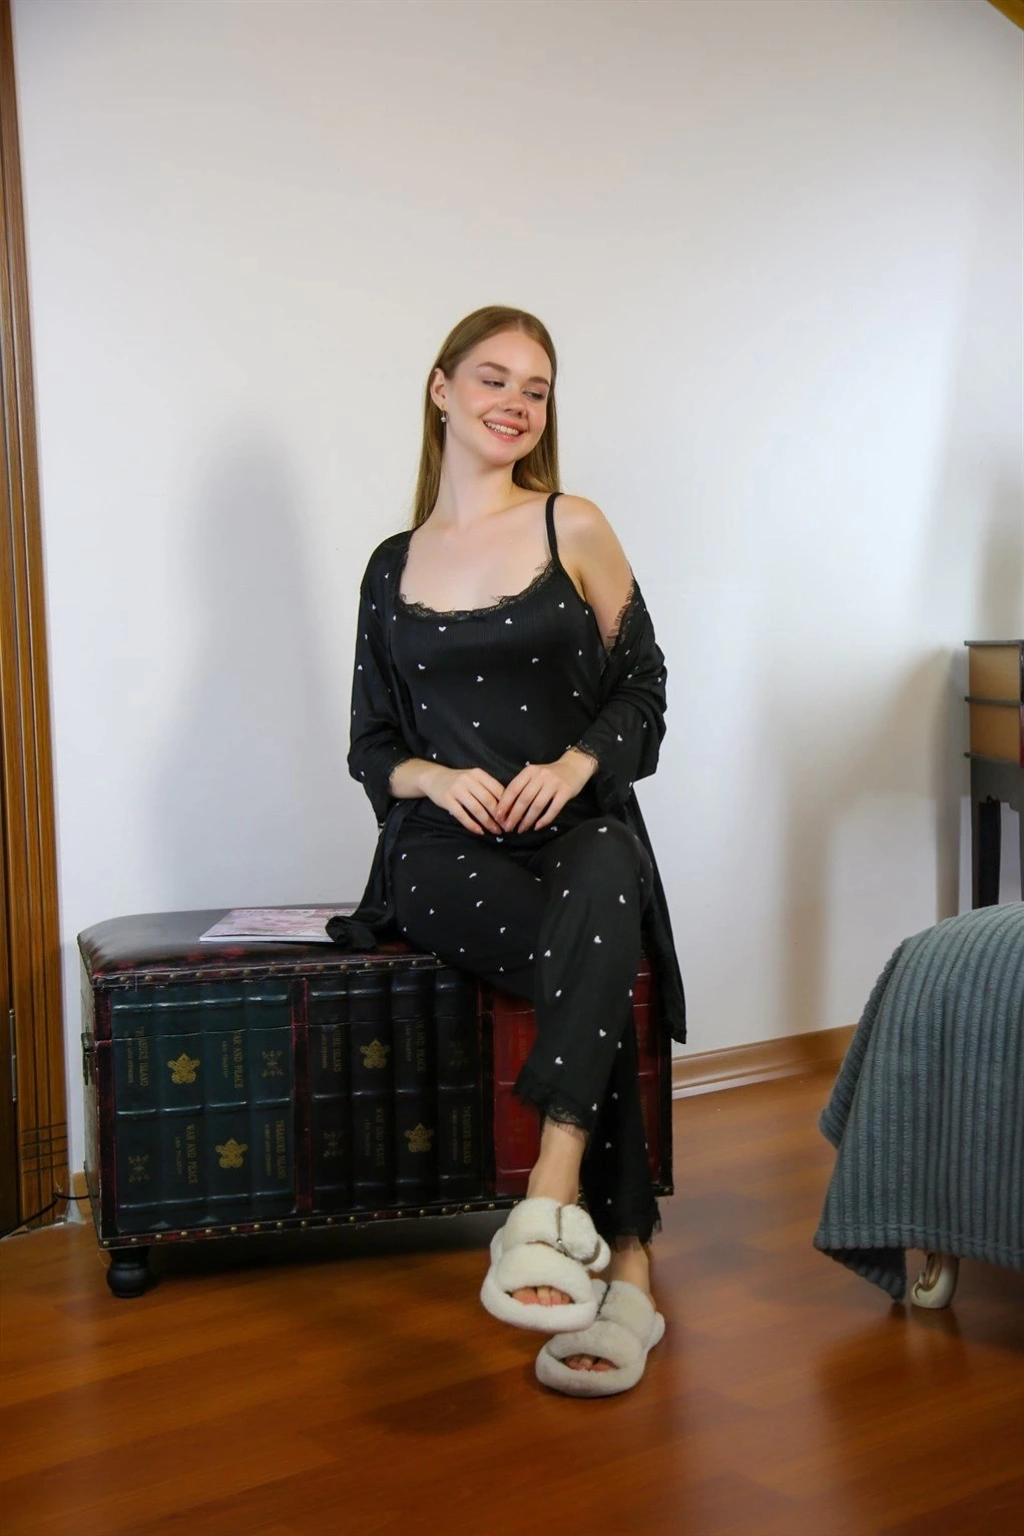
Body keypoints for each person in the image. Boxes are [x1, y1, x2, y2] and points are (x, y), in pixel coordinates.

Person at [347, 305, 685, 1396]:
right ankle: (627, 1263)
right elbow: (370, 746)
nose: (515, 402)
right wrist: (437, 777)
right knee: (594, 958)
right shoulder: (390, 566)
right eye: (493, 378)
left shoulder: (571, 526)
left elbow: (644, 691)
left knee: (606, 872)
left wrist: (578, 765)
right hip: (439, 851)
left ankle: (546, 1198)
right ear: (440, 388)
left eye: (535, 389)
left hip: (576, 835)